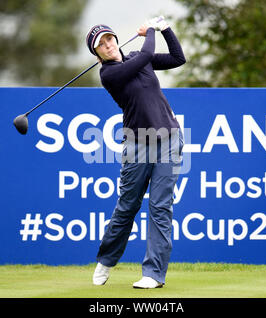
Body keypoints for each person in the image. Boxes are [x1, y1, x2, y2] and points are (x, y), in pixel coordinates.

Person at [86, 17, 185, 289]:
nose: (107, 46)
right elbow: (146, 54)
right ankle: (106, 259)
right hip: (137, 144)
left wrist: (165, 29)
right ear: (96, 54)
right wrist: (150, 32)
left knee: (161, 207)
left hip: (169, 139)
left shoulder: (137, 58)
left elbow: (178, 58)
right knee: (128, 205)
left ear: (115, 39)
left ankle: (153, 274)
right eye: (101, 45)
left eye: (109, 39)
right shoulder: (109, 74)